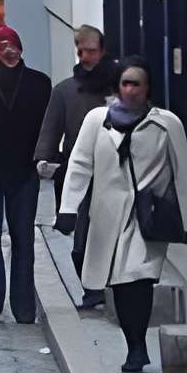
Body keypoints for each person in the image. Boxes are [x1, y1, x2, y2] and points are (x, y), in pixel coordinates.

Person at [56, 60, 187, 373]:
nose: (131, 90)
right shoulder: (97, 121)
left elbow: (183, 174)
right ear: (117, 86)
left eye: (137, 83)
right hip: (107, 215)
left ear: (147, 88)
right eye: (126, 83)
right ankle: (131, 341)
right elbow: (81, 163)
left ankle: (137, 347)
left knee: (139, 279)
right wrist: (68, 209)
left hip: (146, 216)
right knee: (120, 284)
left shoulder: (167, 124)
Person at [0, 22, 56, 324]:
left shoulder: (38, 83)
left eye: (13, 44)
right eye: (3, 45)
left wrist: (42, 156)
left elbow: (47, 124)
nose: (9, 50)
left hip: (24, 170)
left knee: (23, 238)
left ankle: (23, 305)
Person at [36, 24, 119, 310]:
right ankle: (91, 288)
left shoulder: (121, 86)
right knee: (80, 239)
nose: (85, 57)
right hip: (80, 171)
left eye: (91, 51)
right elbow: (52, 127)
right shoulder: (65, 91)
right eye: (80, 51)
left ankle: (111, 285)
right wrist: (44, 159)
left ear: (103, 50)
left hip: (118, 172)